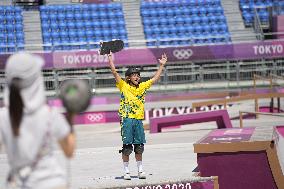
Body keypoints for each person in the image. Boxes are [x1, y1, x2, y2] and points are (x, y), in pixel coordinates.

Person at [0, 52, 76, 189]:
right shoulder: (50, 114)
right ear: (36, 79)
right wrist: (71, 114)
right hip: (53, 183)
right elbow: (69, 151)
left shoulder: (3, 117)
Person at [107, 52, 167, 180]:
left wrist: (161, 65)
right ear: (128, 77)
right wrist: (110, 60)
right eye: (134, 75)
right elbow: (114, 72)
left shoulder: (143, 86)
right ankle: (126, 171)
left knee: (139, 147)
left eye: (138, 75)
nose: (137, 77)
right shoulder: (123, 86)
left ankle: (140, 170)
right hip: (126, 119)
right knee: (127, 148)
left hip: (138, 120)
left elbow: (155, 79)